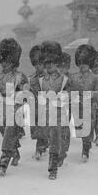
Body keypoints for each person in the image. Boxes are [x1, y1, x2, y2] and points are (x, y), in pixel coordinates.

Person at [0, 38, 28, 177]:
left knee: (10, 129)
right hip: (0, 109)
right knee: (6, 132)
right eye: (3, 61)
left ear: (13, 62)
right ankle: (14, 150)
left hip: (15, 109)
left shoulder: (20, 77)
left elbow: (25, 93)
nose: (4, 64)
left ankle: (4, 160)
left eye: (8, 61)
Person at [31, 41, 72, 180]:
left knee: (55, 138)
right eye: (46, 62)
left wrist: (64, 96)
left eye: (52, 62)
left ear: (57, 63)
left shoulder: (64, 79)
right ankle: (55, 155)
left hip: (59, 114)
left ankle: (52, 167)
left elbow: (71, 93)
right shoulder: (39, 80)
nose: (49, 65)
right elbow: (33, 94)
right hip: (45, 115)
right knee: (51, 138)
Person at [71, 44, 98, 162]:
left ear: (89, 64)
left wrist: (91, 95)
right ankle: (86, 142)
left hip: (90, 107)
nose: (82, 66)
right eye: (80, 64)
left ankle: (85, 150)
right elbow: (69, 90)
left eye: (85, 64)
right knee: (80, 129)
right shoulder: (73, 77)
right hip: (77, 106)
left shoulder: (95, 78)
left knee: (88, 128)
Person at [28, 45, 49, 160]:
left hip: (46, 107)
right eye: (36, 64)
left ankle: (39, 149)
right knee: (37, 130)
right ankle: (44, 144)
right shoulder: (31, 78)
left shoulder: (49, 77)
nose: (38, 66)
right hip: (35, 108)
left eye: (40, 64)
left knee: (43, 128)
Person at [58, 52, 72, 167]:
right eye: (60, 66)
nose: (62, 69)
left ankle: (62, 152)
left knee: (63, 130)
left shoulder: (70, 79)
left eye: (64, 67)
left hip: (67, 107)